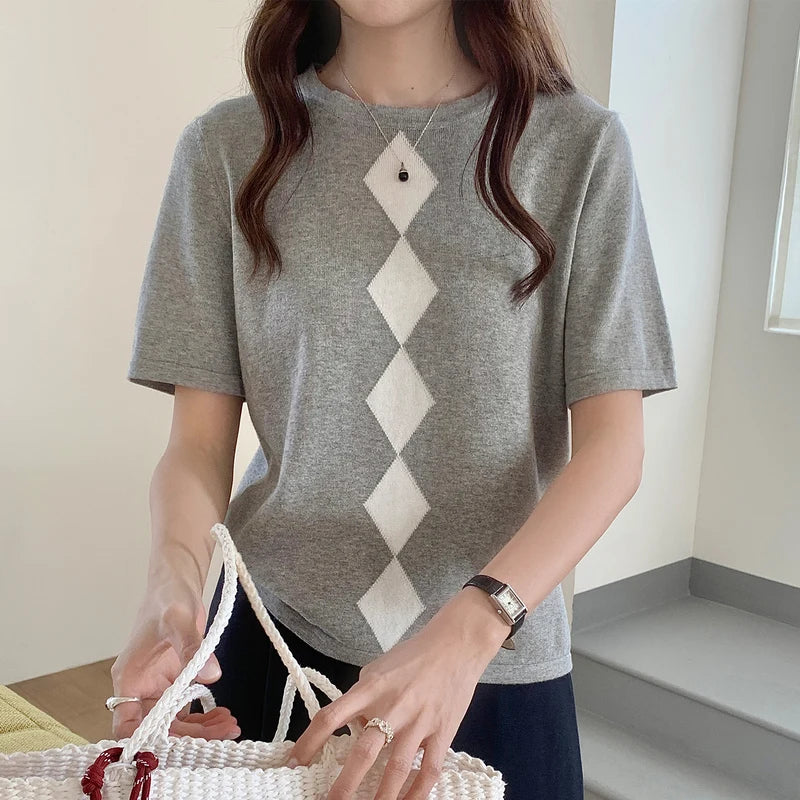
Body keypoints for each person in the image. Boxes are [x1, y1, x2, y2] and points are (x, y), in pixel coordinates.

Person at [110, 2, 678, 799]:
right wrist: (169, 591)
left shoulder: (578, 148)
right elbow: (198, 445)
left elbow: (614, 451)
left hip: (491, 665)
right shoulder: (227, 150)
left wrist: (476, 622)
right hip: (274, 658)